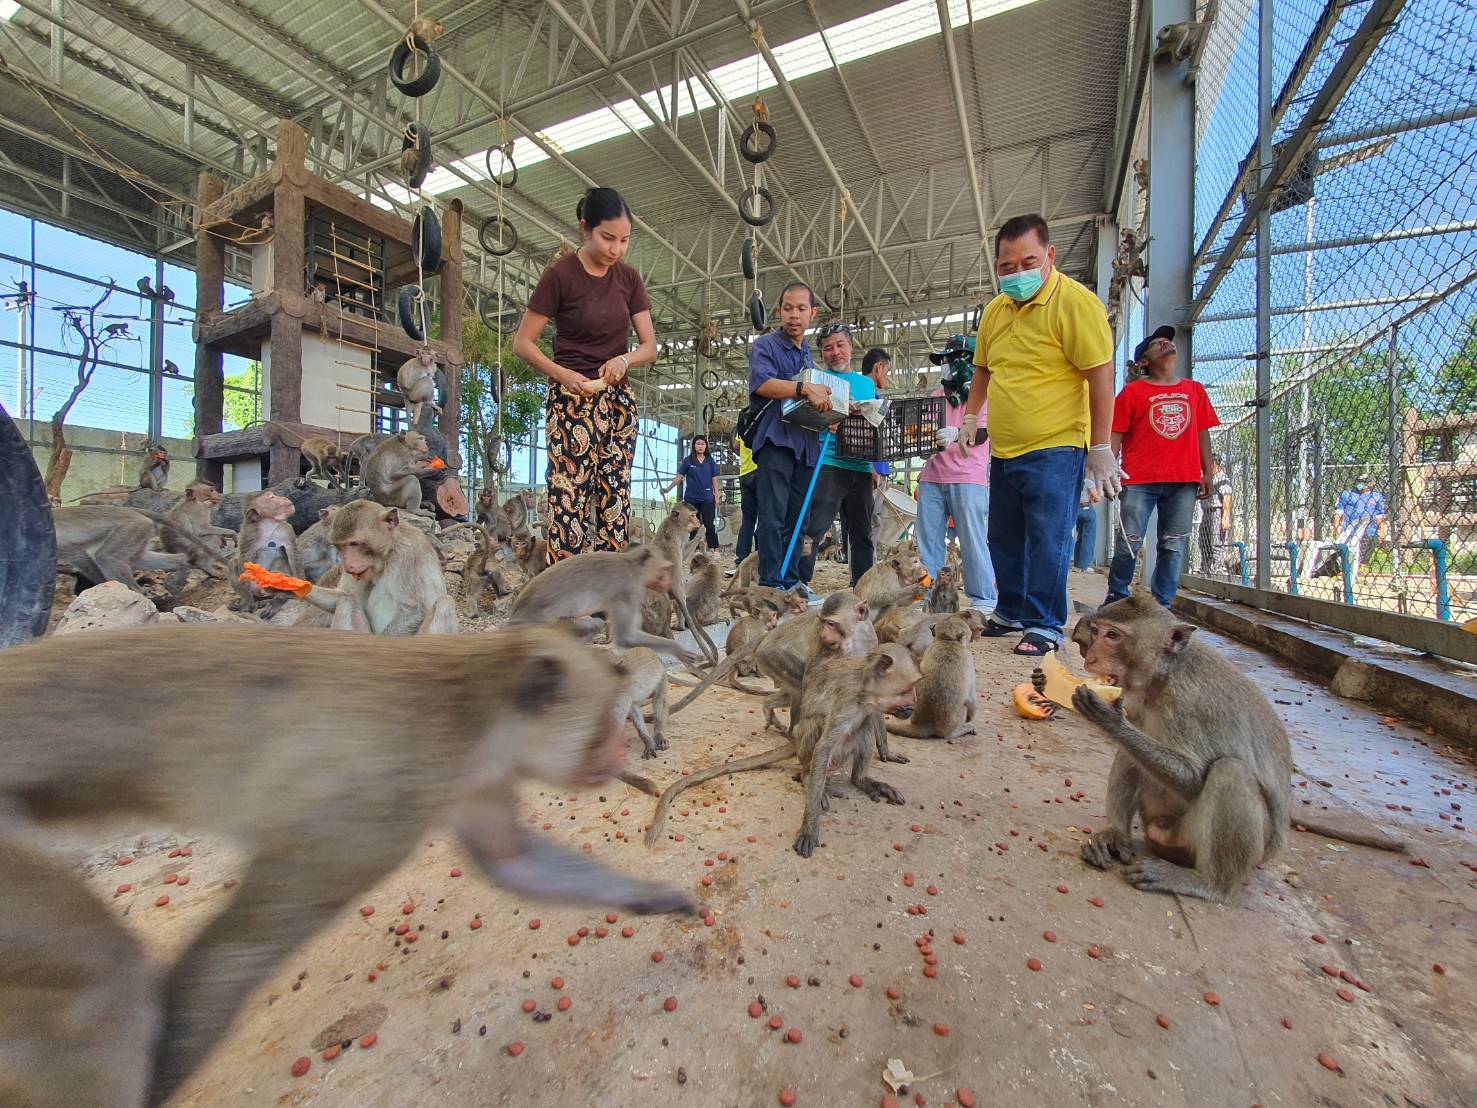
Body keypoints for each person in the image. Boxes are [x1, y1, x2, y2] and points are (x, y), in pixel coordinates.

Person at [958, 214, 1117, 656]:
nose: (1017, 274)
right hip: (1005, 447)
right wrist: (971, 417)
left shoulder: (1076, 304)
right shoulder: (995, 311)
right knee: (1004, 534)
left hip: (1057, 444)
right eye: (1006, 267)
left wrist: (1100, 447)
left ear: (1049, 255)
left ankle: (1045, 622)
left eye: (1027, 262)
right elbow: (983, 369)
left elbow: (1101, 376)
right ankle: (1010, 609)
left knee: (1048, 535)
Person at [514, 187, 655, 562]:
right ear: (584, 229)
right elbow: (523, 343)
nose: (616, 249)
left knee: (615, 495)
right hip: (570, 399)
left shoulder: (628, 279)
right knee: (568, 498)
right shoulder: (560, 275)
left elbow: (649, 346)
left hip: (617, 400)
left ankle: (610, 591)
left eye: (624, 240)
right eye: (607, 238)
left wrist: (624, 361)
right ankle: (568, 594)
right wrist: (561, 374)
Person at [1103, 325, 1219, 607]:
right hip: (1139, 478)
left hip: (1184, 478)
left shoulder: (1194, 390)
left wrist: (1208, 471)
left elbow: (1202, 431)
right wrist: (1110, 470)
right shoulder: (1132, 393)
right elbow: (1116, 432)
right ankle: (1117, 597)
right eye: (1157, 344)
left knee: (1173, 543)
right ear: (1144, 361)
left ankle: (1162, 604)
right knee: (1128, 541)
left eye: (1167, 340)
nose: (1165, 342)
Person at [746, 282, 832, 591]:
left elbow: (809, 401)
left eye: (801, 308)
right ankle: (771, 584)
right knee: (773, 515)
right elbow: (762, 383)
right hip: (776, 442)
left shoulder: (807, 355)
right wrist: (801, 388)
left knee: (799, 520)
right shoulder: (766, 345)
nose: (793, 315)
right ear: (780, 311)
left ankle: (792, 580)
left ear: (812, 314)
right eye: (787, 308)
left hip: (806, 445)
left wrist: (829, 416)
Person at [799, 325, 879, 588]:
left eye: (840, 345)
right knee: (815, 528)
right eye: (828, 347)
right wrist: (825, 421)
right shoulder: (817, 380)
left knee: (862, 533)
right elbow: (803, 419)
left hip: (861, 466)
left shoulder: (867, 384)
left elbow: (874, 422)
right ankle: (801, 584)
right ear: (822, 353)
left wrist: (874, 467)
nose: (835, 352)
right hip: (829, 462)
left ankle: (862, 586)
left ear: (851, 346)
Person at [916, 385, 996, 612]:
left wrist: (955, 432)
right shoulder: (935, 397)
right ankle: (926, 594)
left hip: (968, 476)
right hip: (932, 475)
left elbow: (982, 433)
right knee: (927, 541)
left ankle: (983, 596)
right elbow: (923, 432)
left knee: (972, 539)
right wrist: (925, 446)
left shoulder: (983, 395)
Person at [664, 435, 720, 550]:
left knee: (710, 524)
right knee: (693, 525)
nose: (700, 446)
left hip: (708, 498)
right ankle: (692, 549)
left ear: (706, 446)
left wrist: (717, 496)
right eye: (698, 444)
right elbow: (679, 477)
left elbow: (714, 479)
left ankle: (715, 549)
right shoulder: (688, 460)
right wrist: (668, 489)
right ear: (694, 446)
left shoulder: (710, 461)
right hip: (691, 500)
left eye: (702, 444)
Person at [1333, 474, 1387, 570]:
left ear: (1370, 484)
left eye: (1363, 483)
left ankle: (1362, 567)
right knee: (1347, 551)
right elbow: (1339, 512)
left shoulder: (1377, 497)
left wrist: (1382, 530)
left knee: (1368, 547)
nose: (1359, 484)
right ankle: (1343, 568)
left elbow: (1380, 515)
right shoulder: (1347, 494)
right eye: (1359, 482)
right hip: (1349, 529)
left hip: (1369, 530)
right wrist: (1336, 527)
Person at [1197, 453, 1232, 575]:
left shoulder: (1222, 478)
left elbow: (1227, 497)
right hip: (1206, 511)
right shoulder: (1208, 477)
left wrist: (1226, 516)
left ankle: (1217, 568)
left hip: (1216, 510)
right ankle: (1205, 567)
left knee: (1216, 541)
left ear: (1214, 464)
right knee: (1203, 540)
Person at [732, 431, 759, 569]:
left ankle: (742, 558)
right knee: (765, 517)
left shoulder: (743, 427)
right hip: (760, 470)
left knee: (748, 519)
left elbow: (735, 446)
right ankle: (761, 555)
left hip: (744, 473)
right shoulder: (764, 420)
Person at [1073, 500, 1097, 571]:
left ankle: (1076, 565)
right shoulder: (1089, 487)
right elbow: (1096, 498)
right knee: (1088, 539)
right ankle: (1084, 566)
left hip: (1076, 508)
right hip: (1087, 507)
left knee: (1079, 538)